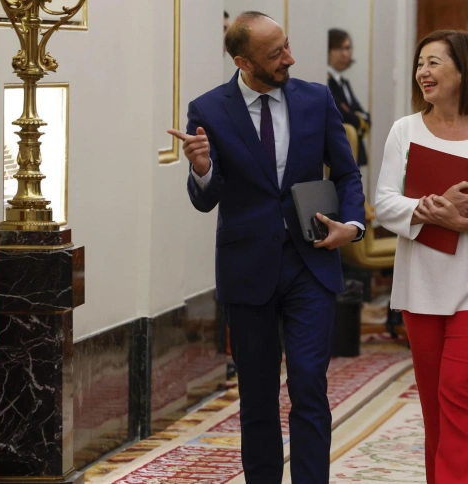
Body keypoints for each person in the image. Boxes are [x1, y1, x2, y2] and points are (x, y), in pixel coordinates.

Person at [168, 11, 366, 483]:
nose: (289, 59)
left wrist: (352, 225)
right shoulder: (209, 110)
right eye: (276, 54)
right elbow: (206, 198)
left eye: (287, 46)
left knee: (308, 387)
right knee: (257, 396)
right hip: (246, 269)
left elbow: (347, 173)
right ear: (243, 60)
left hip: (310, 264)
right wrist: (200, 170)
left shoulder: (317, 100)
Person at [375, 30, 468, 484]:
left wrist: (465, 224)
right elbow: (383, 202)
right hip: (420, 283)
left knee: (458, 392)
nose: (424, 71)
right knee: (433, 403)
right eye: (421, 63)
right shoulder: (404, 129)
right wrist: (426, 208)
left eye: (435, 62)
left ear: (463, 71)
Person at [327, 28, 371, 167]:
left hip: (354, 151)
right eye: (339, 48)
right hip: (338, 153)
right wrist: (357, 119)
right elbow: (341, 113)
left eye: (347, 48)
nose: (345, 54)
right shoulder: (326, 81)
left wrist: (358, 117)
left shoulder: (343, 82)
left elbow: (365, 116)